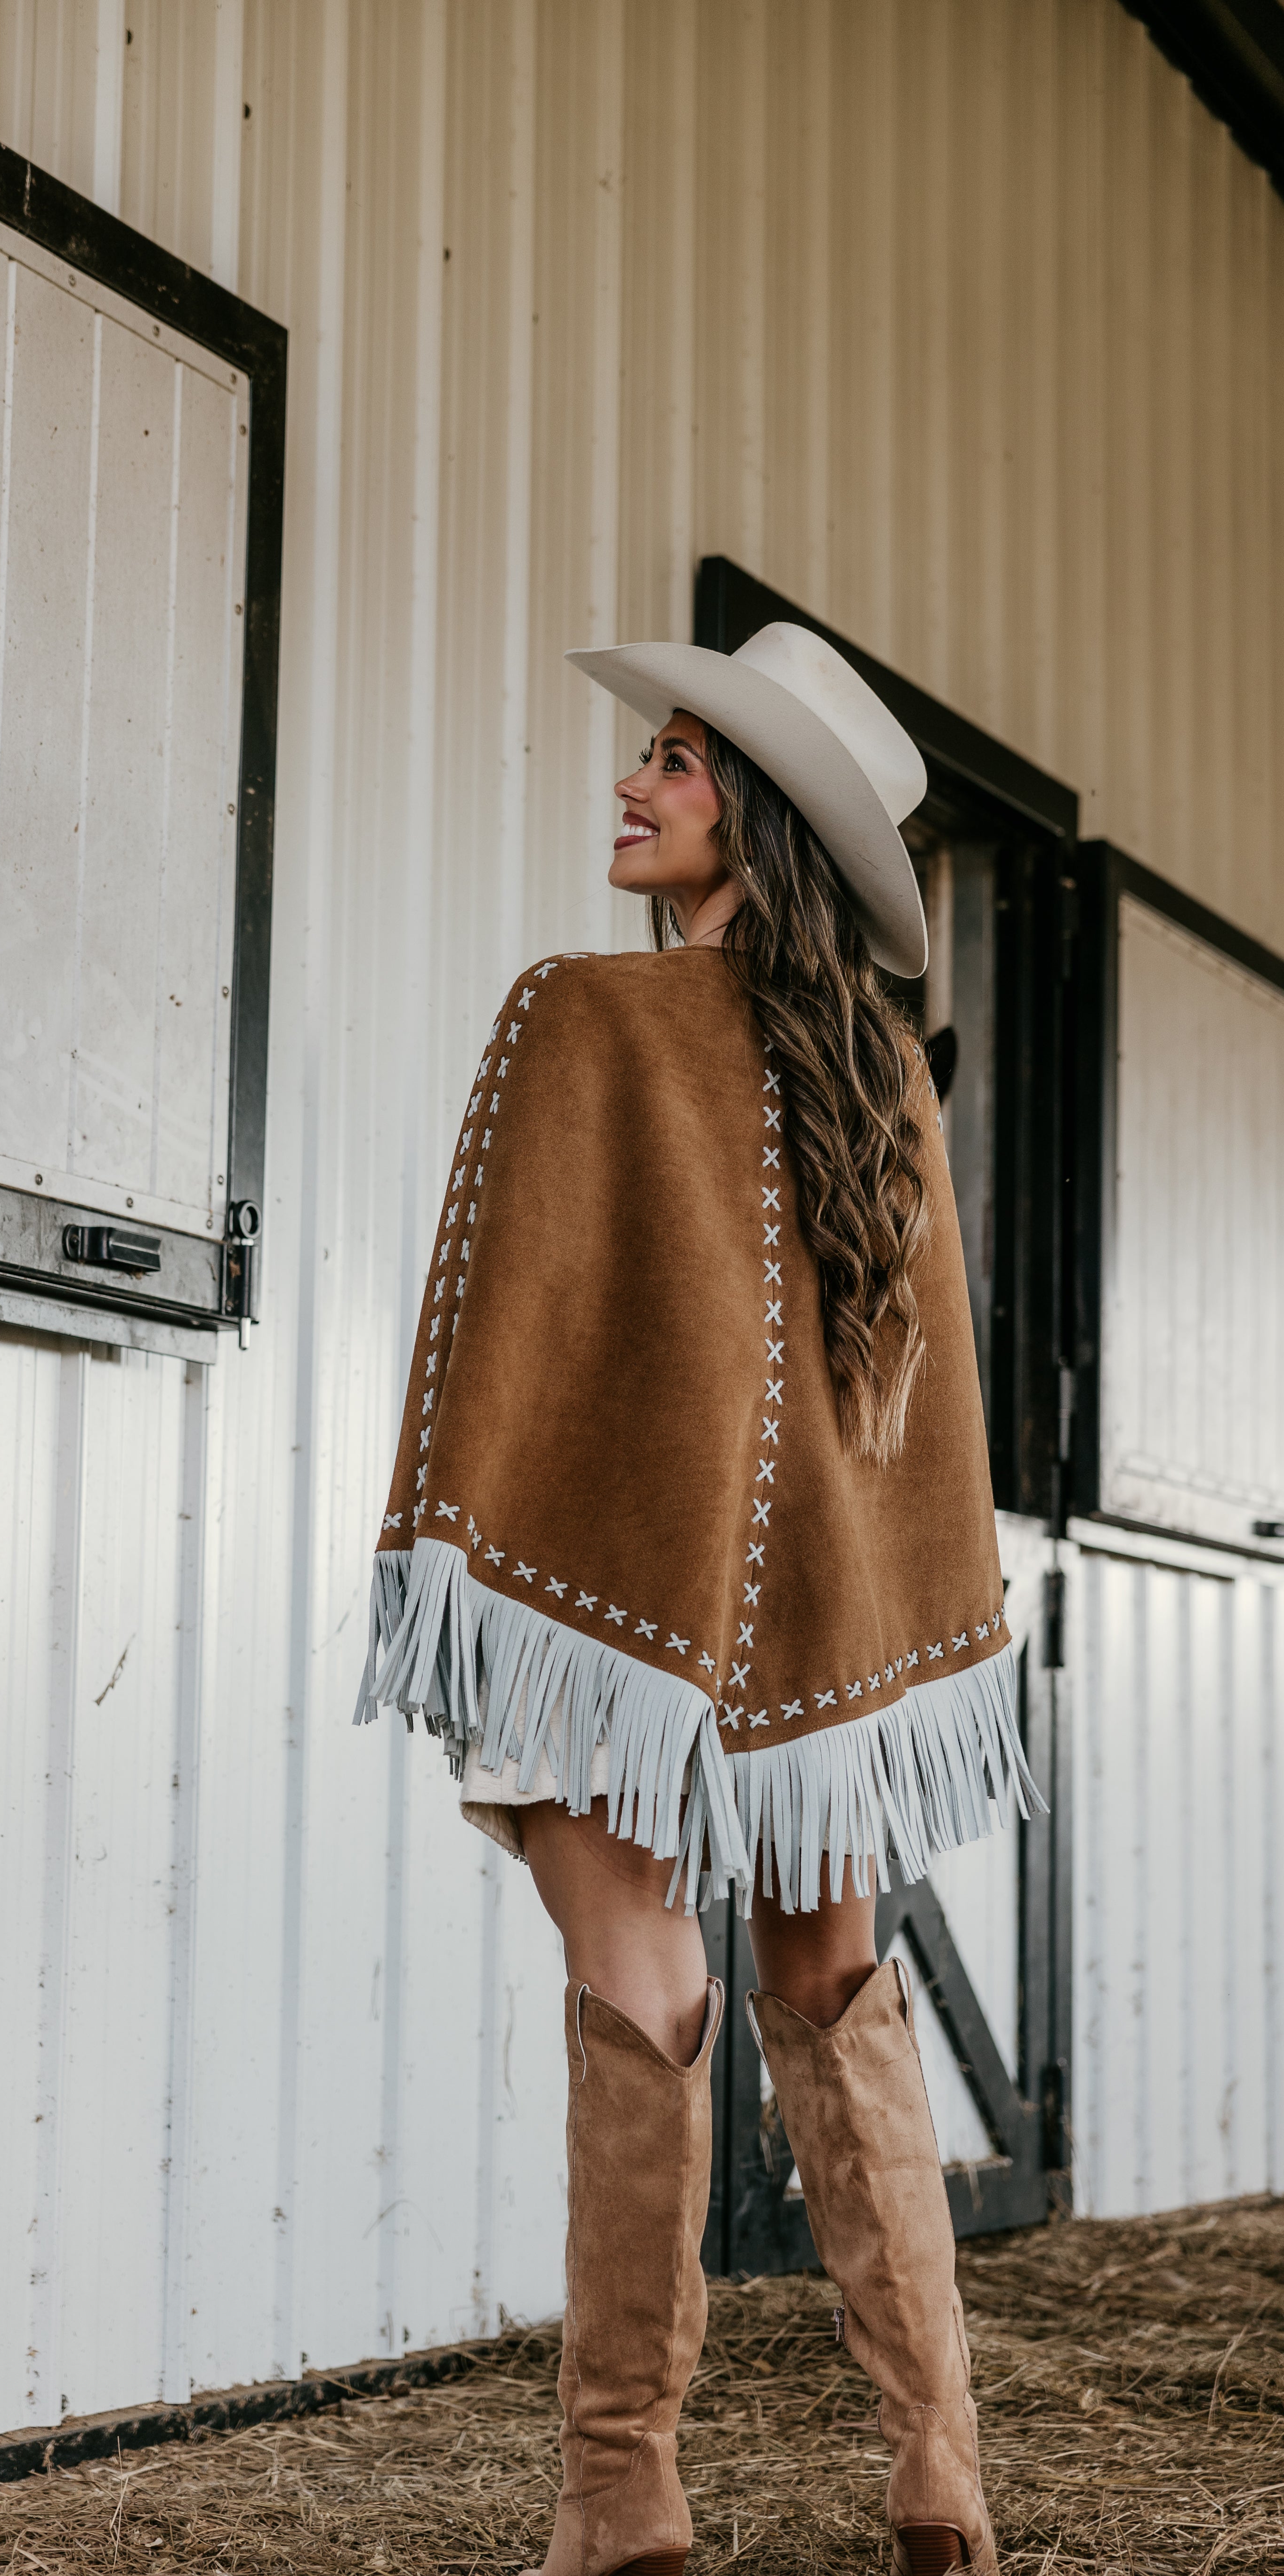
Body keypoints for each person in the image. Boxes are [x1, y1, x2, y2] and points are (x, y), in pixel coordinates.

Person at [357, 622, 1039, 2576]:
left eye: (673, 760)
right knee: (835, 1986)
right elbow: (909, 1428)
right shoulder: (881, 1081)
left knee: (641, 1992)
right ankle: (936, 2473)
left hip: (616, 1641)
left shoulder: (577, 1019)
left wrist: (470, 1554)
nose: (634, 786)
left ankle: (625, 2490)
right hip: (830, 1646)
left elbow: (515, 1347)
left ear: (753, 814)